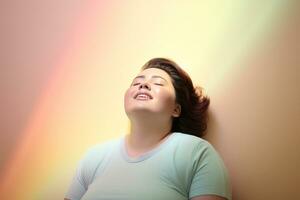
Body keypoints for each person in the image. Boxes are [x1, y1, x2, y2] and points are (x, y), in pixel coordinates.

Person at [64, 58, 232, 200]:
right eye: (136, 82)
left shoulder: (197, 153)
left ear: (176, 109)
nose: (143, 85)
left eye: (158, 83)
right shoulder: (93, 157)